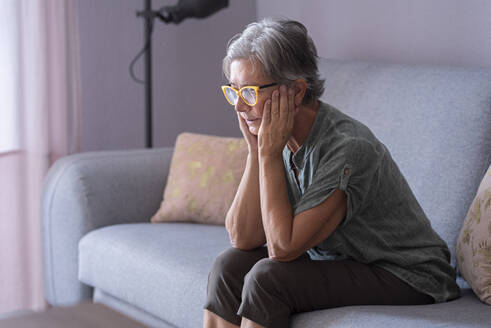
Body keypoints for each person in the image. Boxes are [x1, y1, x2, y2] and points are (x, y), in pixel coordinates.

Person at [203, 18, 460, 328]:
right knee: (228, 266)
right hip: (344, 263)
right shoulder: (277, 137)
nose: (240, 108)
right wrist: (257, 151)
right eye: (234, 92)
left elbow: (282, 249)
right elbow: (242, 237)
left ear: (296, 91)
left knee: (267, 278)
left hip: (409, 273)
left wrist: (269, 154)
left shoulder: (346, 148)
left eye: (250, 93)